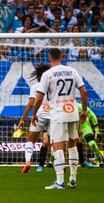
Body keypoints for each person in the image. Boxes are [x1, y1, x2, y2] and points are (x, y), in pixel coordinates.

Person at [32, 48, 88, 189]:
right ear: (61, 57)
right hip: (72, 112)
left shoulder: (47, 74)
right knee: (72, 144)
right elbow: (84, 91)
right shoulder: (72, 71)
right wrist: (84, 111)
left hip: (57, 113)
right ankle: (73, 179)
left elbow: (39, 98)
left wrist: (34, 114)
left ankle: (60, 182)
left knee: (57, 146)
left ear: (50, 58)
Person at [18, 63, 51, 174]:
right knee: (54, 141)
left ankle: (28, 161)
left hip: (40, 113)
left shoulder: (36, 87)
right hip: (53, 113)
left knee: (30, 139)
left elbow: (31, 103)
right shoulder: (53, 86)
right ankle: (59, 164)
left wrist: (23, 119)